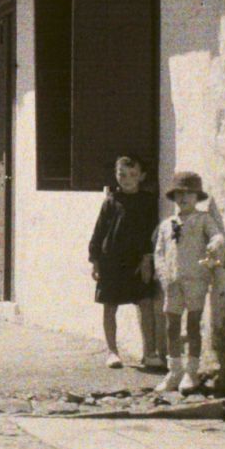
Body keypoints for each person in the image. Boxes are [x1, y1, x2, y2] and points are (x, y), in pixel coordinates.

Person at [153, 170, 225, 393]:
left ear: (197, 197)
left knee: (193, 325)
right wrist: (163, 275)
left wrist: (215, 243)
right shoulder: (168, 224)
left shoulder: (203, 219)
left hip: (195, 279)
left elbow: (217, 235)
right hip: (173, 281)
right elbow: (159, 252)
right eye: (179, 194)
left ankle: (191, 371)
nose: (183, 199)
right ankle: (174, 369)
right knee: (171, 325)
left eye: (189, 194)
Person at [87, 154, 164, 372]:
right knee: (110, 306)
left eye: (132, 174)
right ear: (116, 175)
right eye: (122, 174)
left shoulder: (148, 201)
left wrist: (148, 259)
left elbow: (153, 230)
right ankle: (112, 351)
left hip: (137, 261)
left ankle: (149, 352)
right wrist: (95, 261)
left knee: (145, 303)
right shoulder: (110, 201)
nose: (127, 179)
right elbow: (99, 231)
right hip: (111, 260)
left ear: (142, 176)